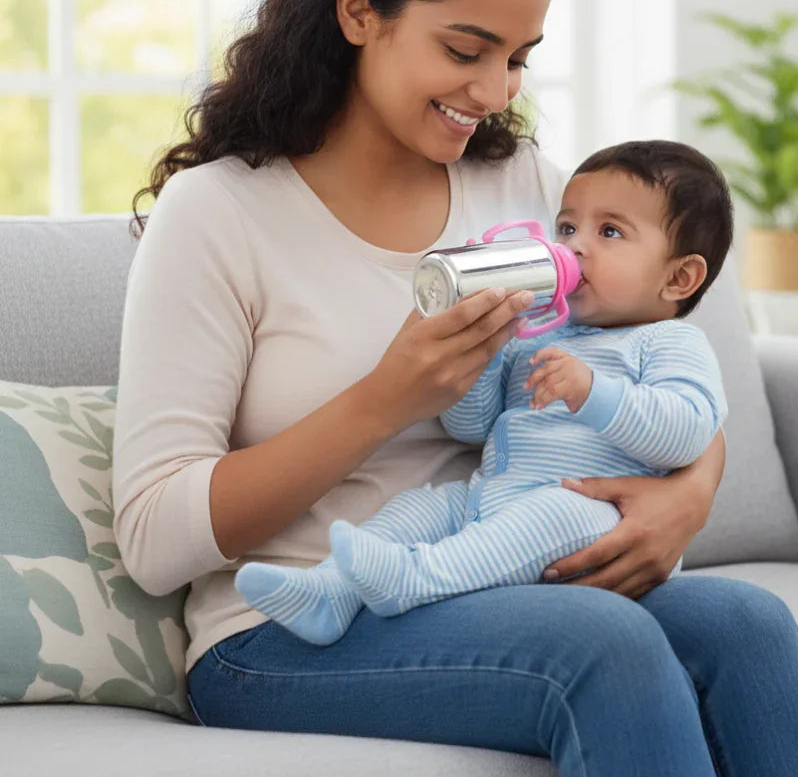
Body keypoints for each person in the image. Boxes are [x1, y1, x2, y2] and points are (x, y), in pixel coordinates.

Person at [112, 0, 798, 776]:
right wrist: (386, 399)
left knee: (749, 624)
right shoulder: (221, 214)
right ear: (358, 10)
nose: (495, 93)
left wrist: (686, 497)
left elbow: (652, 369)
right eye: (465, 50)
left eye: (518, 59)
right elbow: (152, 535)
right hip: (288, 624)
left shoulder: (526, 189)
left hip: (505, 568)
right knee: (604, 649)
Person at [234, 140, 732, 645]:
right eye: (567, 227)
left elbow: (689, 431)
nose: (575, 246)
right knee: (428, 507)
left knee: (553, 512)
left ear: (679, 278)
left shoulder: (669, 342)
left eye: (609, 232)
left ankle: (414, 581)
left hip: (587, 513)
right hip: (493, 495)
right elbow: (472, 427)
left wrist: (593, 392)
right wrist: (487, 351)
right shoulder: (540, 332)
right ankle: (329, 590)